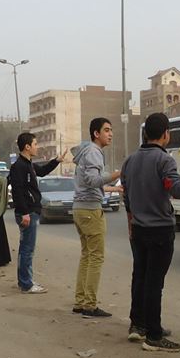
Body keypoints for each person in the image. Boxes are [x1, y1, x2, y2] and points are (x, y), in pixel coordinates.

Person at [121, 113, 180, 352]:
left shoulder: (130, 160)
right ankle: (154, 335)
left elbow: (127, 197)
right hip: (160, 231)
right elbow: (176, 191)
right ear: (166, 134)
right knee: (154, 282)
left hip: (138, 229)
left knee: (140, 277)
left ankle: (138, 325)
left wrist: (131, 223)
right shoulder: (164, 161)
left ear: (145, 134)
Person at [71, 118, 122, 317]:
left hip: (80, 208)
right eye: (106, 130)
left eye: (111, 130)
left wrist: (113, 189)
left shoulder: (86, 152)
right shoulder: (94, 152)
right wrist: (117, 174)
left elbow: (89, 183)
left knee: (87, 256)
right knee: (96, 257)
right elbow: (93, 181)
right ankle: (89, 305)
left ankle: (80, 301)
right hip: (91, 211)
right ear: (96, 133)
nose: (111, 134)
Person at [9, 133, 63, 294]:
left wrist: (56, 161)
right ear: (27, 147)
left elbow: (43, 171)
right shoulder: (18, 166)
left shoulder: (29, 164)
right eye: (35, 144)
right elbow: (18, 191)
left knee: (26, 248)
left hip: (31, 211)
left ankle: (25, 280)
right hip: (27, 212)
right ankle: (26, 284)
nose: (37, 147)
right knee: (27, 249)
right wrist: (24, 212)